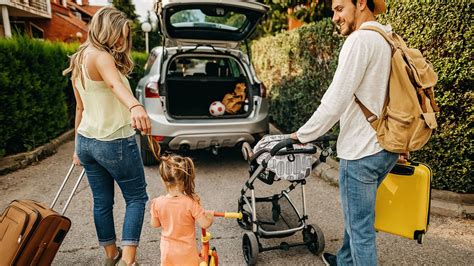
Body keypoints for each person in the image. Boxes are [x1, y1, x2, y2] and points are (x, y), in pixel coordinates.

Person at [289, 0, 399, 265]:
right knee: (358, 217)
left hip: (361, 152)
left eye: (339, 9)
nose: (334, 17)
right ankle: (344, 261)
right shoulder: (386, 37)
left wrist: (302, 135)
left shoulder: (359, 41)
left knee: (361, 231)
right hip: (385, 147)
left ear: (360, 3)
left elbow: (334, 101)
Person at [63, 6, 151, 266]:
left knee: (102, 202)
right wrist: (135, 106)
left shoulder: (79, 58)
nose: (122, 41)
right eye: (120, 35)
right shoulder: (101, 57)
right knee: (136, 197)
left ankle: (111, 255)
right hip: (114, 141)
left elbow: (81, 108)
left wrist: (78, 147)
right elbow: (114, 85)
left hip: (88, 141)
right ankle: (129, 261)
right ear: (107, 29)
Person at [148, 140, 214, 265]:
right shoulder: (191, 203)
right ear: (186, 179)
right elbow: (204, 224)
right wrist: (209, 217)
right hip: (186, 252)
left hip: (167, 251)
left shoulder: (157, 203)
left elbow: (155, 224)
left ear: (164, 180)